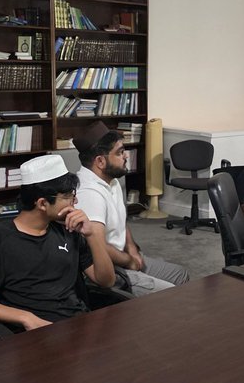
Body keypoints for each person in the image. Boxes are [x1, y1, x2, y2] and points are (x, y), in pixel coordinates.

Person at [0, 154, 115, 331]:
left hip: (78, 326)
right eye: (68, 196)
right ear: (43, 203)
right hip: (37, 337)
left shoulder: (68, 230)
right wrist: (25, 318)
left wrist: (91, 234)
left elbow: (106, 281)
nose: (75, 201)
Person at [74, 121, 189, 294]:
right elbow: (98, 245)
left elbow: (121, 222)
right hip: (111, 268)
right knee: (171, 295)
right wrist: (129, 261)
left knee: (180, 275)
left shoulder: (110, 181)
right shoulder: (89, 193)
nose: (126, 156)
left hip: (124, 257)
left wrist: (132, 249)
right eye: (120, 152)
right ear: (100, 161)